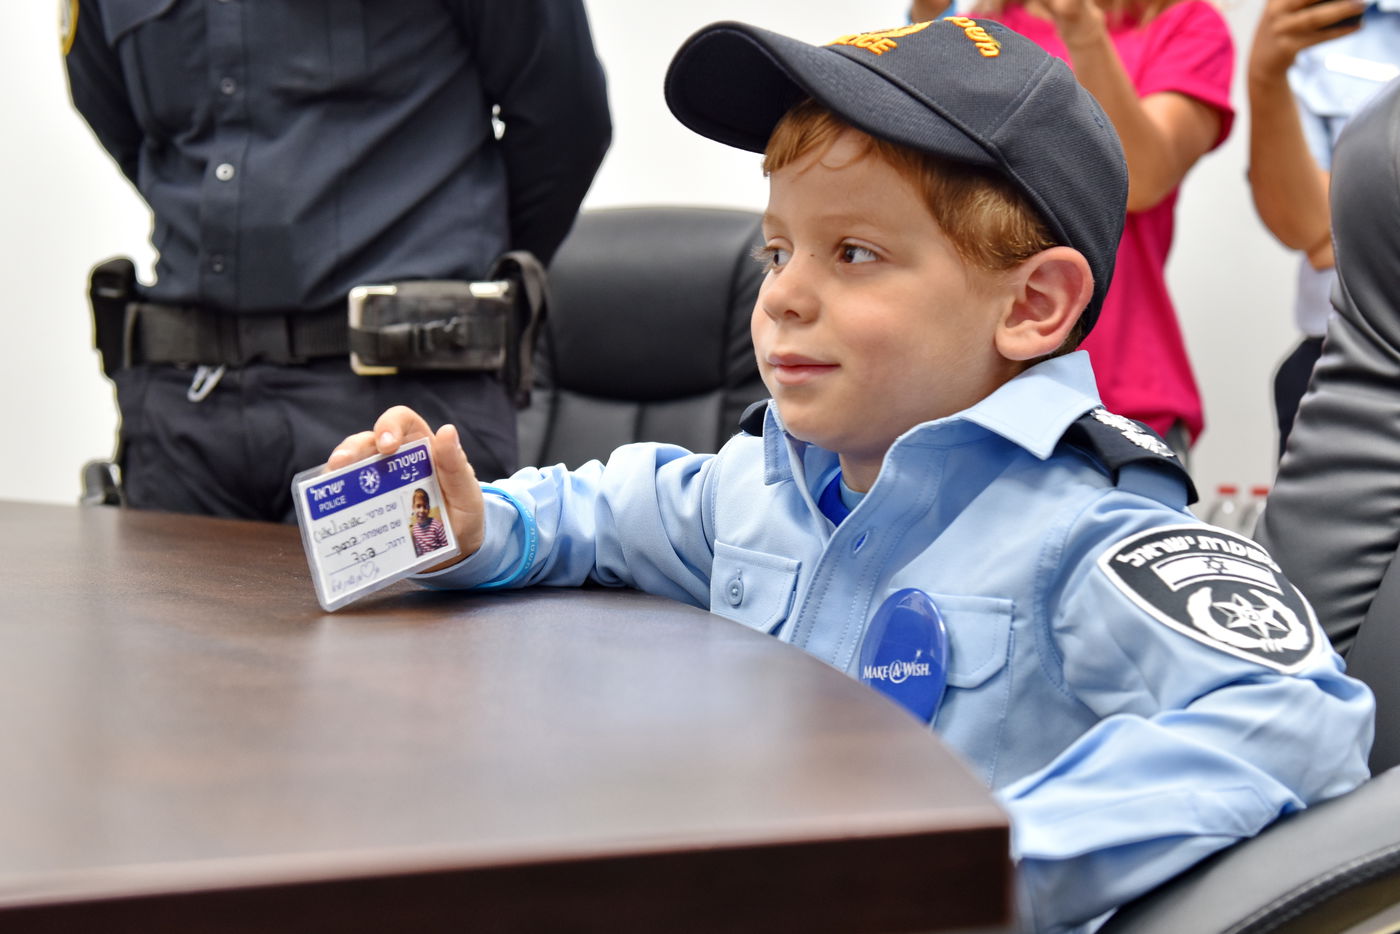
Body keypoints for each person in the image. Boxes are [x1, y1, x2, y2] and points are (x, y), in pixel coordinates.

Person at [328, 19, 1373, 932]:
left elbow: (1293, 719)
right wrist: (471, 525)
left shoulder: (1093, 536)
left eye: (854, 254)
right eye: (776, 249)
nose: (781, 296)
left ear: (1032, 307)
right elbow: (593, 512)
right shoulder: (754, 486)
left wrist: (973, 863)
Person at [61, 1, 611, 522]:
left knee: (402, 626)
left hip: (396, 405)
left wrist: (450, 284)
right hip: (185, 413)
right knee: (152, 623)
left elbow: (567, 122)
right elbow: (124, 125)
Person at [912, 0, 1232, 461]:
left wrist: (1082, 30)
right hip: (965, 394)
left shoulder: (1184, 23)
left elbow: (1139, 180)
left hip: (1116, 398)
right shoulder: (974, 25)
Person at [1245, 0, 1400, 457]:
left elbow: (1337, 226)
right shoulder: (1322, 19)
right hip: (1349, 366)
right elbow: (1311, 230)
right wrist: (1264, 78)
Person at [410, 487, 450, 558]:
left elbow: (446, 546)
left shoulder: (437, 525)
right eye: (418, 506)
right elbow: (419, 551)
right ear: (413, 508)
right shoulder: (415, 529)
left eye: (425, 506)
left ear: (429, 508)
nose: (422, 510)